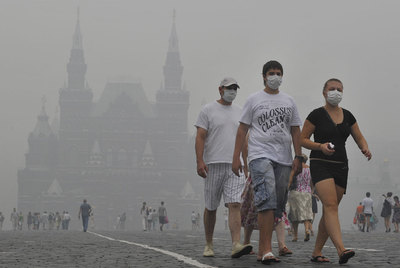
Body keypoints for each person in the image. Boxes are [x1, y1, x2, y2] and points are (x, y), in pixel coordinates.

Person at [232, 60, 302, 264]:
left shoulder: (289, 101)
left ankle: (265, 249)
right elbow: (242, 129)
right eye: (271, 73)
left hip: (284, 157)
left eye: (279, 73)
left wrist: (298, 156)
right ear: (264, 76)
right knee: (266, 198)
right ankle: (266, 249)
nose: (275, 76)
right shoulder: (254, 99)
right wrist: (236, 157)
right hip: (259, 155)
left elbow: (295, 130)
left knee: (278, 202)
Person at [300, 78, 372, 264]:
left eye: (339, 89)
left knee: (329, 209)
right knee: (330, 205)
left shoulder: (348, 116)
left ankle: (317, 252)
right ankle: (341, 249)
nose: (336, 92)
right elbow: (302, 139)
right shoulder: (316, 114)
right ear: (324, 93)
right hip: (320, 162)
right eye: (332, 89)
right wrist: (319, 146)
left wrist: (365, 148)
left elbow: (359, 137)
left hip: (341, 166)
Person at [195, 77, 252, 258]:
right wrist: (199, 161)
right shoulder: (207, 110)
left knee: (235, 204)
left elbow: (244, 140)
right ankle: (209, 243)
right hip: (213, 164)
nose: (233, 91)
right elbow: (200, 137)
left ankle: (236, 244)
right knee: (211, 207)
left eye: (235, 88)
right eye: (229, 88)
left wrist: (246, 162)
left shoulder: (241, 111)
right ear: (220, 89)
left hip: (235, 166)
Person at [287, 154, 313, 242]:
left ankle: (295, 236)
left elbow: (290, 180)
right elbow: (312, 182)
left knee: (294, 215)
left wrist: (287, 188)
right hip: (307, 192)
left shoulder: (295, 168)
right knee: (306, 213)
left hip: (296, 192)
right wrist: (312, 191)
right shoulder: (310, 169)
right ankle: (307, 230)